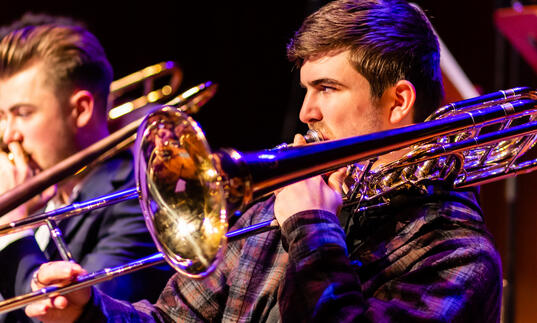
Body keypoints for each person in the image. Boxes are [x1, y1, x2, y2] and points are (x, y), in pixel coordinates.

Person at [23, 1, 502, 322]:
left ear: (398, 101)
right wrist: (89, 311)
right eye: (307, 88)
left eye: (327, 88)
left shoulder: (457, 254)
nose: (305, 111)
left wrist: (312, 227)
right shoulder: (273, 211)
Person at [0, 17, 172, 323]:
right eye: (2, 116)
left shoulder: (140, 198)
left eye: (22, 114)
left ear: (80, 109)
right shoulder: (43, 198)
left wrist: (13, 229)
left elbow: (71, 315)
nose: (7, 134)